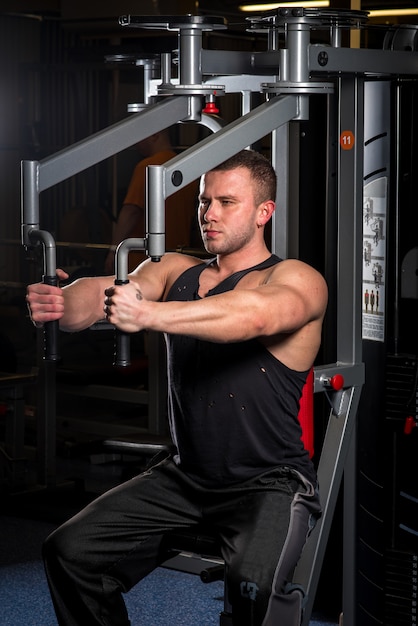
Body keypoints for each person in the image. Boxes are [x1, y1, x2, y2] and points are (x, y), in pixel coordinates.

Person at [26, 149, 328, 626]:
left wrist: (146, 315)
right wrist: (62, 304)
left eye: (227, 202)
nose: (209, 213)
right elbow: (109, 289)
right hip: (186, 477)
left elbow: (252, 316)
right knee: (69, 552)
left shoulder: (295, 278)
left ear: (263, 212)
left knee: (256, 590)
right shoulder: (175, 270)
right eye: (205, 201)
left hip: (267, 483)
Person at [104, 128, 199, 274]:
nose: (135, 143)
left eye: (139, 136)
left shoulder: (147, 167)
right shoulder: (186, 170)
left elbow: (131, 212)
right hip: (176, 257)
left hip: (143, 260)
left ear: (155, 134)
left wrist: (113, 250)